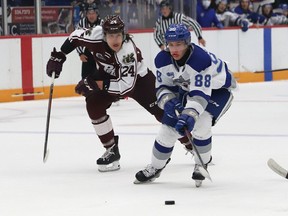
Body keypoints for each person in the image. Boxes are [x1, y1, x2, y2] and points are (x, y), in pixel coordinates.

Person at [46, 15, 192, 172]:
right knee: (94, 104)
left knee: (163, 113)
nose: (115, 40)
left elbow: (126, 88)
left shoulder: (127, 51)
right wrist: (59, 55)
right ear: (103, 35)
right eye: (110, 35)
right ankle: (111, 150)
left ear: (124, 35)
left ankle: (192, 144)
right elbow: (74, 37)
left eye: (118, 35)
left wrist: (96, 84)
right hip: (108, 76)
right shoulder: (94, 36)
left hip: (139, 81)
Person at [134, 23, 237, 187]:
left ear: (187, 43)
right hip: (188, 88)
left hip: (218, 90)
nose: (174, 49)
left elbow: (200, 95)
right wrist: (168, 102)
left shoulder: (200, 60)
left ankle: (201, 164)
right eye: (171, 44)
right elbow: (162, 87)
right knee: (168, 130)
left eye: (179, 44)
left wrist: (189, 115)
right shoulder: (162, 59)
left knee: (201, 123)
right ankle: (155, 167)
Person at [76, 2, 103, 79]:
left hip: (100, 54)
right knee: (85, 78)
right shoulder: (82, 23)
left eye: (93, 13)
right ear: (86, 14)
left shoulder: (102, 23)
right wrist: (80, 53)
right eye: (89, 13)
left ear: (97, 13)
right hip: (87, 54)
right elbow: (77, 38)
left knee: (100, 78)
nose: (91, 16)